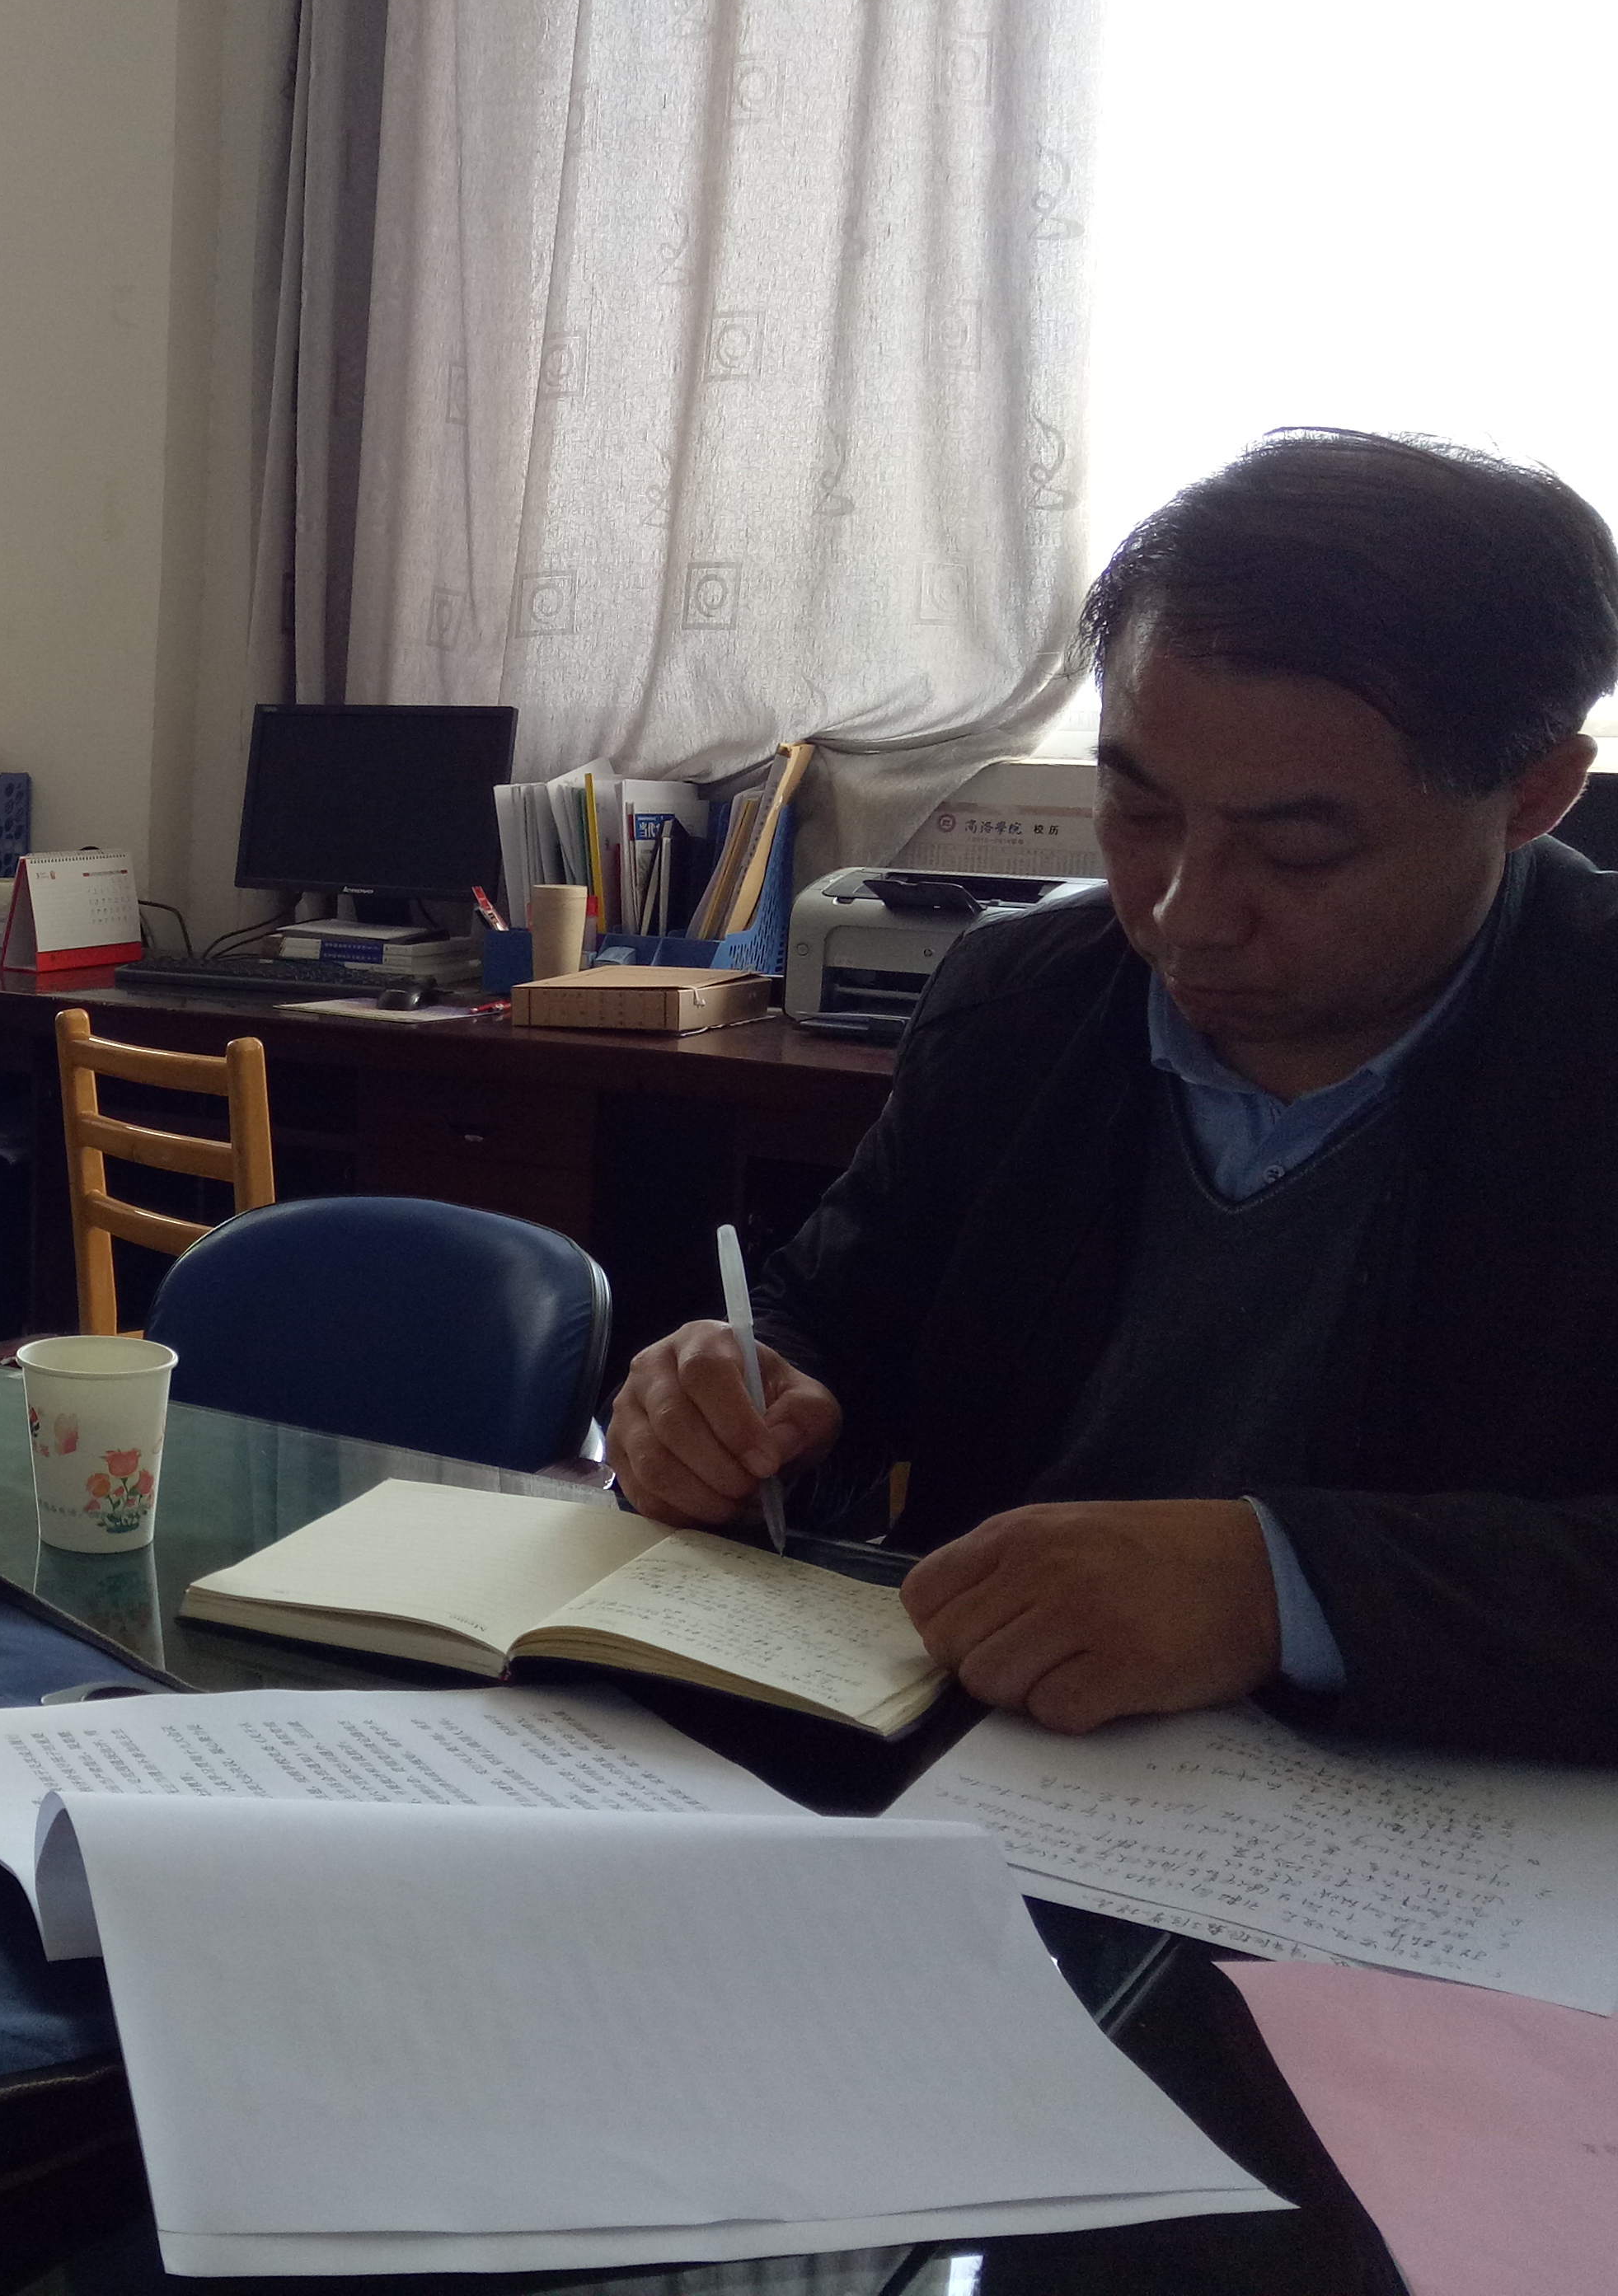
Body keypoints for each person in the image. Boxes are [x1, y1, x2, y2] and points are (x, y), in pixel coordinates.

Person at [608, 429, 1618, 1762]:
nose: (1187, 915)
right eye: (1139, 813)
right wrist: (739, 1400)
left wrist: (1281, 1588)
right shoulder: (1023, 998)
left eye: (1298, 850)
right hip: (983, 1762)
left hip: (1436, 1812)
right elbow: (836, 1314)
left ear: (1536, 793)